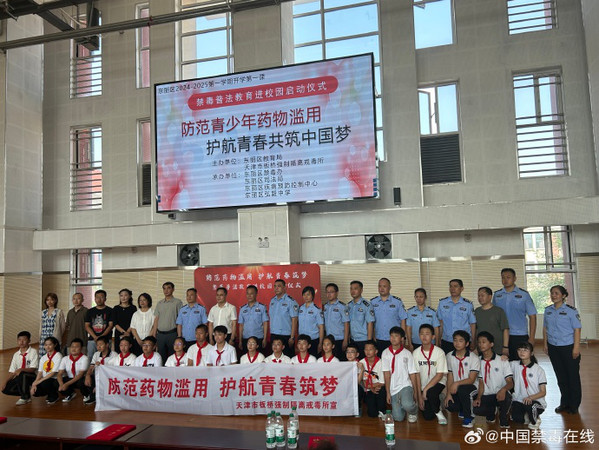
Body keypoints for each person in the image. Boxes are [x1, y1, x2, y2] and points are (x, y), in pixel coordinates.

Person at [543, 285, 582, 414]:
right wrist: (545, 344)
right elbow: (545, 328)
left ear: (563, 296)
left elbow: (577, 329)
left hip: (568, 347)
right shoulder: (548, 310)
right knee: (561, 377)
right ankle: (564, 402)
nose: (553, 295)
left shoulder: (571, 311)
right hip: (553, 347)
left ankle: (574, 405)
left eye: (556, 293)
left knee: (572, 377)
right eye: (552, 293)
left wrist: (576, 348)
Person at [492, 268, 537, 360]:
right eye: (503, 277)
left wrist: (532, 337)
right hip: (501, 335)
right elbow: (494, 315)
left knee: (520, 361)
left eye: (508, 277)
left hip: (519, 334)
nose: (505, 280)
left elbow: (532, 316)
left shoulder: (524, 295)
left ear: (515, 278)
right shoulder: (497, 295)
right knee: (503, 362)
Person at [473, 331, 513, 428]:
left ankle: (503, 417)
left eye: (484, 342)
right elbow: (481, 383)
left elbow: (510, 383)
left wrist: (503, 390)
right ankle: (491, 412)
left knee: (506, 398)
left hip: (500, 393)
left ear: (491, 344)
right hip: (486, 394)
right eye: (479, 342)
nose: (481, 344)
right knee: (477, 409)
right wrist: (478, 398)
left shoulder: (502, 360)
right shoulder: (477, 361)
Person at [413, 324, 448, 424]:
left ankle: (439, 413)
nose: (424, 336)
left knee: (431, 393)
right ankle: (437, 401)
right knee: (428, 416)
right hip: (423, 384)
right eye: (422, 334)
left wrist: (425, 390)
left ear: (433, 337)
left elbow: (439, 375)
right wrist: (419, 396)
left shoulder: (439, 352)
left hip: (438, 382)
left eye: (427, 334)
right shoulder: (416, 353)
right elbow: (417, 376)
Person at [382, 326, 418, 423]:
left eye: (396, 336)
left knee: (408, 405)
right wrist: (388, 392)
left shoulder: (407, 353)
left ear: (402, 338)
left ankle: (413, 411)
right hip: (393, 387)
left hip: (405, 385)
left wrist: (415, 391)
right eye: (391, 336)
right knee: (398, 418)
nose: (393, 338)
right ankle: (402, 405)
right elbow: (386, 374)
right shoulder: (385, 353)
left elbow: (412, 373)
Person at [444, 330, 480, 428]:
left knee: (463, 390)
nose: (457, 343)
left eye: (461, 341)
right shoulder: (449, 356)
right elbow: (450, 376)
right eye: (455, 340)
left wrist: (456, 383)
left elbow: (471, 379)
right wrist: (448, 394)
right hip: (456, 388)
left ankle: (469, 418)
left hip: (472, 387)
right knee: (450, 405)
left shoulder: (473, 358)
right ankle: (462, 409)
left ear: (467, 343)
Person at [511, 341, 547, 429]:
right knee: (517, 419)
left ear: (531, 353)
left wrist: (530, 398)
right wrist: (503, 358)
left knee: (530, 405)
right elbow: (501, 365)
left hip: (536, 401)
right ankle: (527, 414)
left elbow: (543, 392)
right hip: (520, 399)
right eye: (519, 350)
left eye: (525, 350)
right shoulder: (514, 364)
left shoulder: (538, 370)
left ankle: (535, 419)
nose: (522, 352)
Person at [436, 279, 476, 354]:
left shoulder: (468, 304)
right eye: (451, 286)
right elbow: (440, 323)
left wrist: (473, 341)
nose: (452, 289)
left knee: (463, 361)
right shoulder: (442, 303)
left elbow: (472, 324)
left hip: (463, 341)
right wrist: (438, 340)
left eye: (455, 286)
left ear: (462, 288)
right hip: (447, 340)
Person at [1, 331, 39, 405]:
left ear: (29, 341)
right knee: (6, 389)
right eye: (19, 340)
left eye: (24, 340)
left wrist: (21, 369)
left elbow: (33, 369)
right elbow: (12, 372)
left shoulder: (33, 352)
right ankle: (26, 392)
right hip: (21, 378)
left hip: (32, 376)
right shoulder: (16, 355)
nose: (21, 342)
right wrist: (5, 382)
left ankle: (25, 397)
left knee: (22, 374)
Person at [371, 278, 407, 355]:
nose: (382, 288)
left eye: (384, 286)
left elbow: (403, 319)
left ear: (390, 287)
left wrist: (403, 337)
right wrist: (372, 336)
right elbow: (371, 321)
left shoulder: (397, 302)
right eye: (380, 286)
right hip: (378, 339)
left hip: (395, 339)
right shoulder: (372, 302)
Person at [151, 282, 183, 362]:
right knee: (161, 357)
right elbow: (156, 319)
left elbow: (180, 319)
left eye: (168, 288)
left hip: (172, 334)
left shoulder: (178, 302)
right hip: (160, 335)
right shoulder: (159, 303)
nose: (166, 290)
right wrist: (154, 335)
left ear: (173, 289)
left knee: (173, 356)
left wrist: (179, 336)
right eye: (164, 288)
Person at [474, 287, 509, 356]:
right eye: (479, 296)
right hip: (481, 348)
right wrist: (475, 345)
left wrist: (505, 347)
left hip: (497, 347)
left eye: (482, 295)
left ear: (490, 297)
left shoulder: (499, 311)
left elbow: (505, 329)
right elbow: (475, 329)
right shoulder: (477, 311)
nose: (480, 298)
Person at [82, 335, 116, 405]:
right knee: (84, 379)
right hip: (98, 376)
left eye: (101, 344)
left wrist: (102, 366)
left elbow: (115, 371)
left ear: (107, 345)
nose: (98, 347)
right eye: (97, 345)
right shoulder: (96, 354)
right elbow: (91, 367)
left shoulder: (114, 355)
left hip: (109, 377)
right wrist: (87, 375)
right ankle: (92, 396)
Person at [269, 279, 299, 358]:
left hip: (286, 336)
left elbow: (294, 320)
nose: (276, 288)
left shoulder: (290, 301)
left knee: (287, 359)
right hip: (274, 334)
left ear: (285, 288)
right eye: (275, 286)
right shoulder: (272, 301)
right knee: (274, 359)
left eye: (279, 286)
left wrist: (292, 337)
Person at [30, 336, 63, 405]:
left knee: (45, 383)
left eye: (50, 344)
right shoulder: (43, 357)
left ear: (55, 345)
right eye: (46, 345)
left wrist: (39, 381)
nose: (47, 347)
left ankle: (54, 395)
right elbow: (40, 372)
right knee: (35, 392)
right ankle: (49, 393)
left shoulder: (58, 356)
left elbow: (53, 373)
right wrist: (34, 383)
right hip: (46, 378)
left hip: (55, 378)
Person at [56, 338, 89, 403]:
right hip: (70, 378)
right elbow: (59, 373)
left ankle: (87, 394)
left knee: (81, 382)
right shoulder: (65, 358)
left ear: (81, 348)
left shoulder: (84, 358)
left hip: (80, 379)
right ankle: (70, 394)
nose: (74, 349)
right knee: (56, 382)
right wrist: (61, 384)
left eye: (76, 347)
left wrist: (66, 384)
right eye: (72, 347)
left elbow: (80, 375)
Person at [347, 281, 374, 358]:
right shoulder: (349, 305)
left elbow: (370, 323)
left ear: (361, 290)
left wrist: (369, 342)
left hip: (363, 340)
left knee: (363, 362)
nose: (353, 291)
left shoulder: (366, 305)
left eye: (355, 289)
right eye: (351, 289)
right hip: (352, 339)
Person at [238, 285, 269, 353]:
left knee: (259, 358)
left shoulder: (262, 307)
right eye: (247, 293)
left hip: (258, 338)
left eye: (251, 293)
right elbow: (241, 325)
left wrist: (265, 338)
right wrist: (240, 340)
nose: (249, 296)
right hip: (246, 338)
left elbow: (265, 323)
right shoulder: (242, 309)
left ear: (256, 294)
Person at [323, 283, 350, 360]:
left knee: (340, 361)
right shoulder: (325, 306)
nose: (329, 294)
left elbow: (346, 323)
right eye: (327, 292)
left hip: (339, 339)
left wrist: (345, 340)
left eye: (331, 292)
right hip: (329, 340)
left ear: (337, 293)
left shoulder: (342, 306)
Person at [84, 289, 114, 359]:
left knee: (106, 358)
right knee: (91, 358)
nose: (99, 299)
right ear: (95, 299)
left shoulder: (110, 310)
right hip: (92, 339)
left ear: (105, 299)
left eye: (101, 297)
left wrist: (101, 337)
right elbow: (87, 326)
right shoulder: (90, 311)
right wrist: (95, 337)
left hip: (106, 340)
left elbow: (110, 325)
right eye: (97, 297)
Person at [360, 340, 385, 418]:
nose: (368, 352)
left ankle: (382, 410)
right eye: (366, 349)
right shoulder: (361, 363)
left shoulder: (381, 363)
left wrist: (371, 386)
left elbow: (382, 382)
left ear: (376, 351)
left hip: (378, 388)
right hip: (368, 389)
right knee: (372, 414)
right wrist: (370, 388)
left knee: (382, 391)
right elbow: (363, 381)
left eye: (370, 349)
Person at [298, 286, 324, 358]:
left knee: (313, 361)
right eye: (304, 294)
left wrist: (320, 343)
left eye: (308, 294)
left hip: (313, 340)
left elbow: (321, 327)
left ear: (312, 296)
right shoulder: (300, 308)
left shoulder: (317, 310)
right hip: (302, 341)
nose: (306, 297)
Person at [345, 343, 365, 417]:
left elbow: (358, 382)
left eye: (352, 352)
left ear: (357, 354)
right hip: (346, 387)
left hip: (357, 387)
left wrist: (362, 370)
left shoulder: (359, 364)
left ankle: (358, 408)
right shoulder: (343, 365)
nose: (349, 354)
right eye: (348, 352)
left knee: (358, 388)